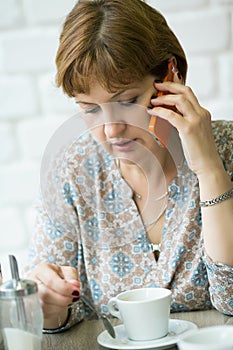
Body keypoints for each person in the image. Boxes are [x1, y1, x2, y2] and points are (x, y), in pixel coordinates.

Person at [25, 0, 233, 333]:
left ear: (170, 76)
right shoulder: (72, 170)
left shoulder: (227, 149)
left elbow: (231, 301)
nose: (110, 130)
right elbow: (60, 310)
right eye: (90, 109)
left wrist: (210, 169)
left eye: (127, 101)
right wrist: (50, 308)